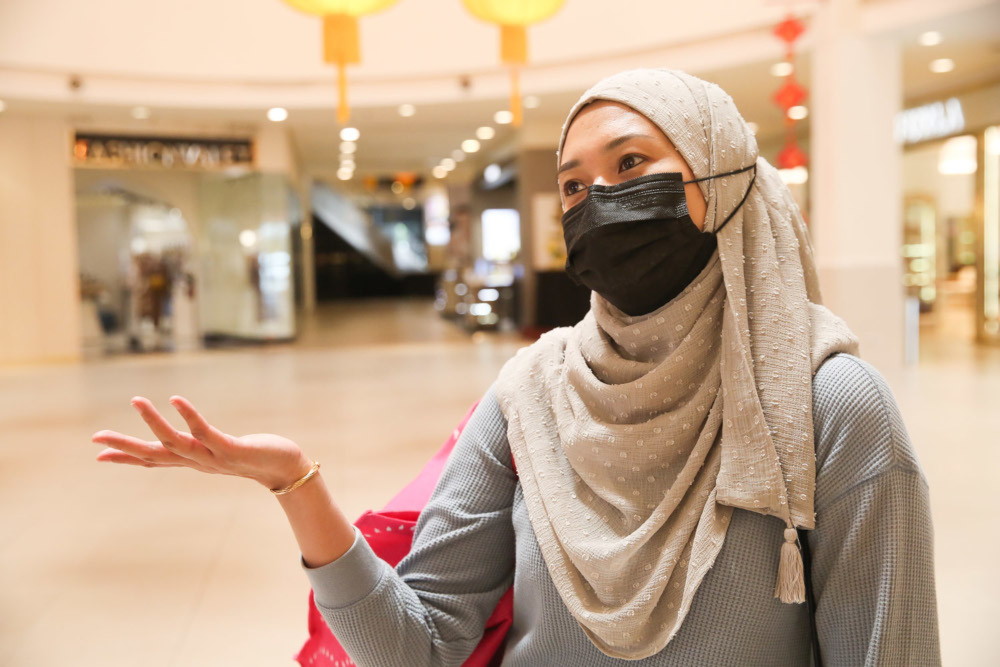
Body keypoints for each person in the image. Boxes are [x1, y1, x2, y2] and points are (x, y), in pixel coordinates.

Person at [91, 68, 941, 666]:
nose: (597, 200)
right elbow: (421, 646)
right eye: (573, 186)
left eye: (631, 164)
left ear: (719, 176)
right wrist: (295, 484)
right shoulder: (530, 395)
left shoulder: (829, 405)